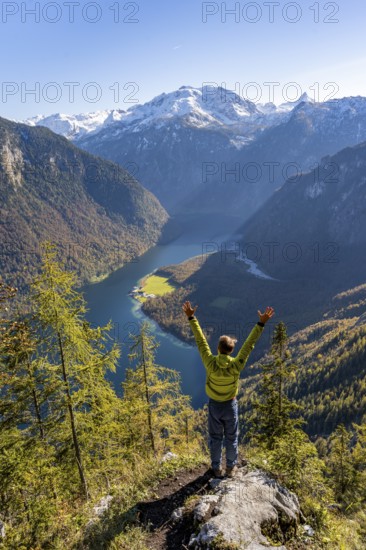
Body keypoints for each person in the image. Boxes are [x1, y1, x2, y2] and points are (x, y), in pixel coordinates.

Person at [182, 300, 275, 478]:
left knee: (215, 438)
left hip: (214, 406)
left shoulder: (210, 363)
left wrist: (191, 317)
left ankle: (216, 468)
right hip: (230, 405)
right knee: (232, 437)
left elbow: (201, 341)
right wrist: (261, 323)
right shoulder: (236, 365)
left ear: (218, 349)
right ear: (232, 351)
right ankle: (231, 468)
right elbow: (249, 345)